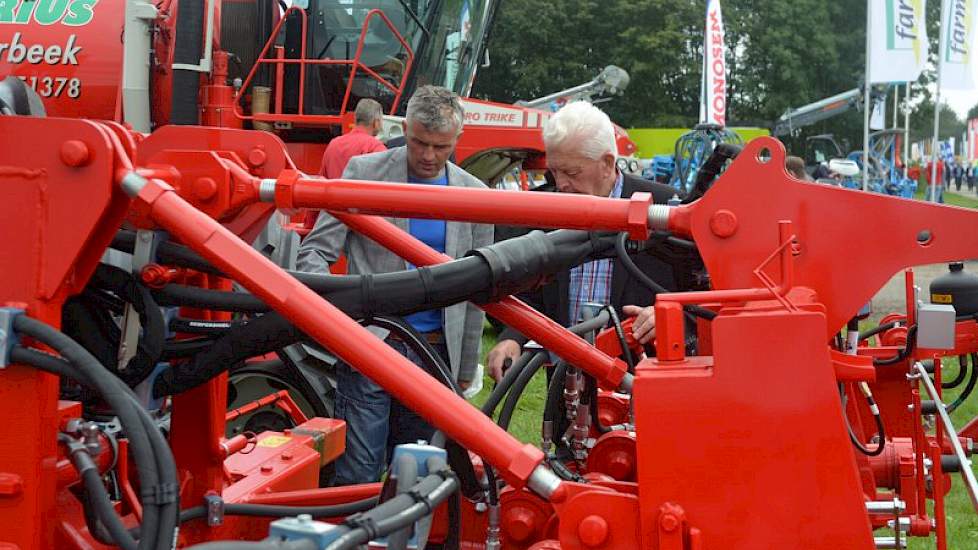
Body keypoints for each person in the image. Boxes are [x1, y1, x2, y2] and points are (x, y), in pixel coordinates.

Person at [297, 86, 493, 485]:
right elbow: (314, 252)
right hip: (372, 346)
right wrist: (336, 321)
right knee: (359, 472)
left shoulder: (478, 196)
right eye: (419, 142)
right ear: (404, 128)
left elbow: (478, 291)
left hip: (436, 352)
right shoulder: (363, 174)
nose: (427, 155)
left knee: (419, 474)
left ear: (458, 140)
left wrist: (466, 363)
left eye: (440, 147)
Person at [485, 101, 677, 381]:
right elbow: (531, 292)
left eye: (572, 173)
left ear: (607, 163)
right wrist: (513, 338)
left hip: (644, 383)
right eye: (554, 172)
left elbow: (702, 297)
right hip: (566, 383)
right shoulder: (547, 209)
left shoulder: (666, 209)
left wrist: (666, 315)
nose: (561, 184)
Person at [304, 99, 387, 228]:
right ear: (376, 123)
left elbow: (318, 187)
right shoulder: (376, 147)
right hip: (362, 229)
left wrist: (309, 226)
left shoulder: (333, 144)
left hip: (331, 225)